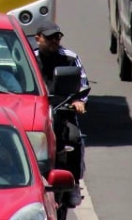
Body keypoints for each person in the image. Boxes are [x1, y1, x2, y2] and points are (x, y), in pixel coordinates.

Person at [33, 22, 88, 207]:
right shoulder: (29, 58)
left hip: (62, 110)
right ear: (38, 38)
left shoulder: (70, 58)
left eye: (57, 37)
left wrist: (77, 101)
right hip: (35, 111)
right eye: (49, 38)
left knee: (74, 138)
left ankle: (73, 184)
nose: (54, 41)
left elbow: (82, 84)